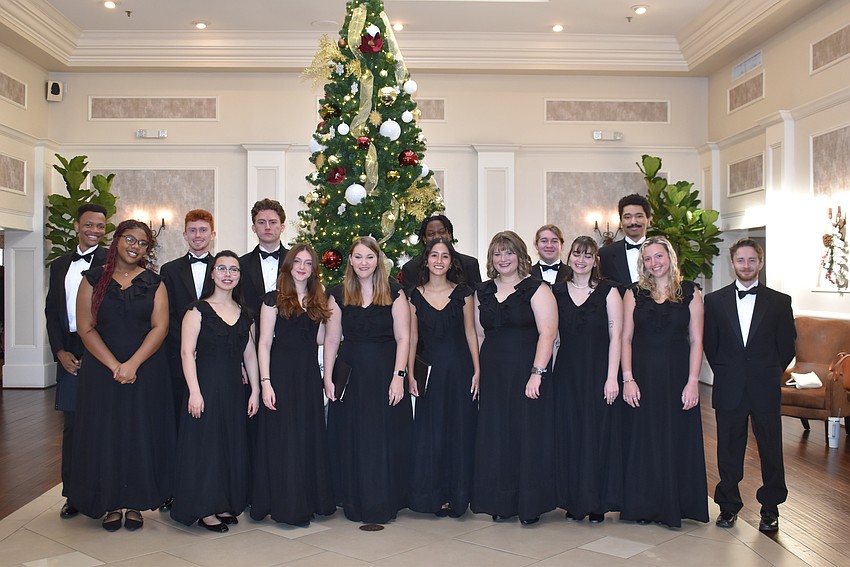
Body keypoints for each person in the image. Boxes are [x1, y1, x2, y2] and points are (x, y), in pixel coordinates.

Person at [68, 220, 175, 532]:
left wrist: (132, 365)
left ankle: (137, 502)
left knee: (139, 434)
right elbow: (85, 327)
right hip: (101, 371)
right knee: (106, 434)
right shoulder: (92, 279)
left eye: (142, 243)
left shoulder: (155, 282)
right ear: (116, 240)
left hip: (145, 370)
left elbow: (161, 327)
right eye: (130, 239)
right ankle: (111, 502)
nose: (135, 246)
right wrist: (115, 365)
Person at [704, 238, 795, 533]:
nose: (746, 266)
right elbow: (711, 345)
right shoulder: (714, 301)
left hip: (765, 386)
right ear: (733, 264)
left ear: (761, 262)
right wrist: (730, 372)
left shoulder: (780, 301)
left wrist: (768, 372)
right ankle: (728, 506)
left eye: (751, 260)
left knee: (770, 449)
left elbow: (787, 347)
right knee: (729, 449)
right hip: (729, 385)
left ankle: (770, 508)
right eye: (740, 260)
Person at [619, 236, 708, 528]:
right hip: (642, 375)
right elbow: (625, 338)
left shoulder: (691, 292)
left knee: (674, 438)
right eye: (648, 258)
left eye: (659, 256)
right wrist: (628, 378)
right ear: (642, 263)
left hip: (678, 376)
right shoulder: (633, 293)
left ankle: (675, 505)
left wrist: (693, 381)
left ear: (670, 257)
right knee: (643, 439)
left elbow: (696, 340)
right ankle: (642, 505)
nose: (654, 263)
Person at [471, 231, 558, 526]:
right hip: (494, 373)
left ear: (521, 255)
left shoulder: (537, 288)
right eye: (497, 253)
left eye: (508, 252)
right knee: (497, 435)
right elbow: (479, 335)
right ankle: (501, 500)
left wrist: (537, 373)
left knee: (527, 434)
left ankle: (529, 503)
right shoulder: (481, 291)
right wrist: (479, 373)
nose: (503, 258)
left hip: (526, 370)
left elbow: (548, 333)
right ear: (491, 259)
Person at [324, 236, 412, 523]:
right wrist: (328, 377)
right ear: (350, 260)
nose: (364, 262)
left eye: (369, 257)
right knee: (353, 436)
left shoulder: (394, 291)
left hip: (385, 371)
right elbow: (332, 338)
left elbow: (404, 337)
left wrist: (399, 376)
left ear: (378, 260)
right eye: (358, 257)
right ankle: (354, 499)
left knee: (382, 436)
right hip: (351, 374)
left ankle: (386, 499)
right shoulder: (337, 294)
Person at [170, 250, 260, 532]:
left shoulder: (246, 314)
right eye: (222, 269)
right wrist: (194, 392)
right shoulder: (196, 311)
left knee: (229, 446)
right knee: (205, 448)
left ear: (239, 277)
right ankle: (204, 508)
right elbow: (186, 353)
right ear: (212, 273)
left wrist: (256, 390)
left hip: (234, 389)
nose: (228, 274)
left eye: (234, 270)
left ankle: (223, 502)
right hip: (204, 386)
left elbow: (251, 356)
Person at [251, 244, 336, 527]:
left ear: (313, 269)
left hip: (308, 376)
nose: (302, 267)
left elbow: (322, 339)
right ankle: (287, 505)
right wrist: (265, 383)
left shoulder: (317, 300)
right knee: (284, 439)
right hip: (281, 376)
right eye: (297, 261)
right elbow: (263, 342)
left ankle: (308, 500)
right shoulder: (272, 299)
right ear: (288, 266)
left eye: (308, 263)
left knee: (306, 437)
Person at [551, 236, 623, 523]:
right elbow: (553, 339)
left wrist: (612, 378)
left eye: (588, 255)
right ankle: (572, 500)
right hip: (566, 374)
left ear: (595, 261)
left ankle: (597, 502)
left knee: (596, 435)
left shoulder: (609, 291)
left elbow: (616, 336)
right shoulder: (556, 291)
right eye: (577, 255)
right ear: (569, 258)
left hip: (598, 373)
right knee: (569, 435)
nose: (581, 260)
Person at [407, 238, 480, 518]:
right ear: (426, 261)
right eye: (434, 255)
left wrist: (477, 371)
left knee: (460, 431)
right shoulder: (414, 295)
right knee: (432, 433)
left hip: (460, 369)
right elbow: (412, 337)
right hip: (431, 373)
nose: (439, 260)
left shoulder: (464, 293)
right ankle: (434, 496)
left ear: (452, 262)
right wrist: (411, 373)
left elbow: (471, 333)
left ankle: (458, 495)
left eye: (445, 256)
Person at [44, 203, 108, 519]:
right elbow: (52, 313)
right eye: (89, 225)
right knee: (73, 427)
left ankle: (106, 492)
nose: (94, 230)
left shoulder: (113, 261)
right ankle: (73, 494)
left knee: (102, 423)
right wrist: (59, 352)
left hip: (102, 347)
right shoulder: (59, 265)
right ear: (77, 227)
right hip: (68, 347)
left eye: (100, 226)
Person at [160, 210, 216, 428]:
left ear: (212, 234)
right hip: (178, 354)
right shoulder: (169, 270)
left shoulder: (225, 269)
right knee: (180, 410)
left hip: (215, 355)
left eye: (203, 230)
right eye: (192, 230)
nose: (197, 235)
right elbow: (168, 314)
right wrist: (186, 346)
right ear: (184, 235)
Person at [400, 214, 482, 290]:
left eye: (442, 232)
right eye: (431, 234)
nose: (437, 237)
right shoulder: (411, 268)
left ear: (450, 235)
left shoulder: (469, 264)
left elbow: (477, 300)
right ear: (424, 239)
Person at [239, 199, 289, 317]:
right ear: (254, 228)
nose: (267, 227)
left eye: (272, 222)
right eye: (261, 222)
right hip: (253, 331)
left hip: (290, 331)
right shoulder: (241, 264)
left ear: (282, 227)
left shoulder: (295, 262)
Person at [598, 194, 652, 286]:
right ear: (620, 222)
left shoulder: (663, 252)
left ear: (649, 220)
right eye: (627, 217)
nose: (633, 222)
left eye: (639, 216)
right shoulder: (605, 254)